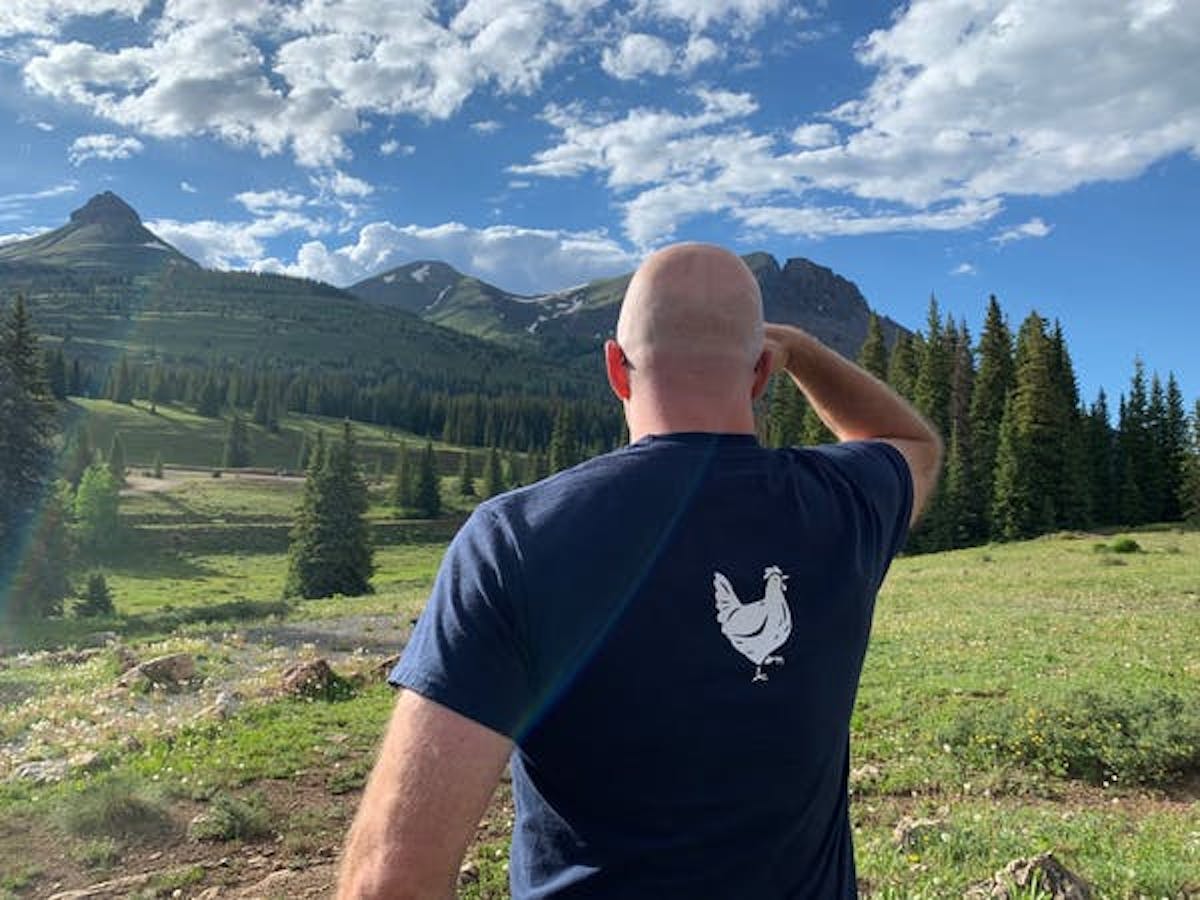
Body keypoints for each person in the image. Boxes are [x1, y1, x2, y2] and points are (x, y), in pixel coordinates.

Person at [337, 243, 942, 898]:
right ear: (761, 374)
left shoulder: (514, 540)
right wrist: (799, 349)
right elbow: (915, 444)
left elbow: (388, 882)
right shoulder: (840, 505)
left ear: (616, 371)